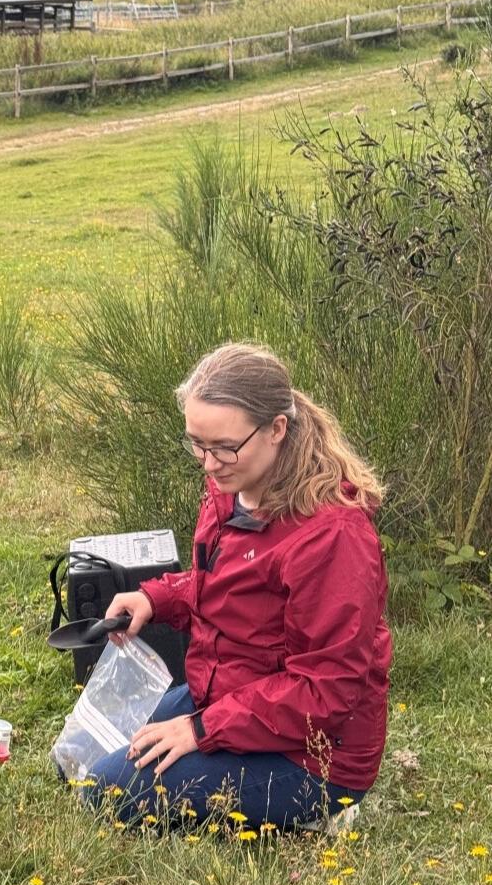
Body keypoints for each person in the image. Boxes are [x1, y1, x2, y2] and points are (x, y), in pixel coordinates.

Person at [86, 342, 391, 830]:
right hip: (227, 694)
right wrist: (155, 598)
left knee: (102, 794)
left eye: (224, 447)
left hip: (312, 755)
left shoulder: (333, 537)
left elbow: (327, 690)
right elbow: (224, 585)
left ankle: (321, 809)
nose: (209, 464)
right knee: (85, 753)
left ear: (276, 429)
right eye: (197, 444)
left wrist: (201, 729)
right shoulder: (235, 484)